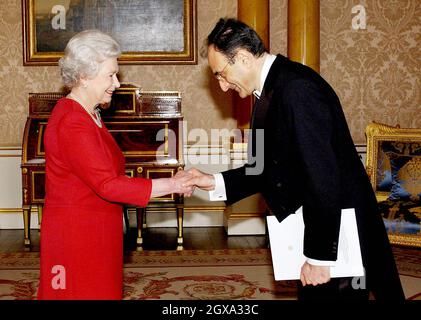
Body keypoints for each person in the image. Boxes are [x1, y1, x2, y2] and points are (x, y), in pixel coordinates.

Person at [184, 18, 405, 300]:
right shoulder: (271, 88)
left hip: (338, 233)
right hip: (319, 226)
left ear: (242, 58)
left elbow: (322, 176)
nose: (223, 86)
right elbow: (265, 167)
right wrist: (213, 181)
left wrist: (320, 257)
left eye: (221, 74)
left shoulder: (297, 89)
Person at [38, 30, 193, 300]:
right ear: (84, 76)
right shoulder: (73, 122)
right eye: (110, 75)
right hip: (77, 239)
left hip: (96, 232)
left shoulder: (88, 113)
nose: (117, 83)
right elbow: (108, 184)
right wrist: (173, 184)